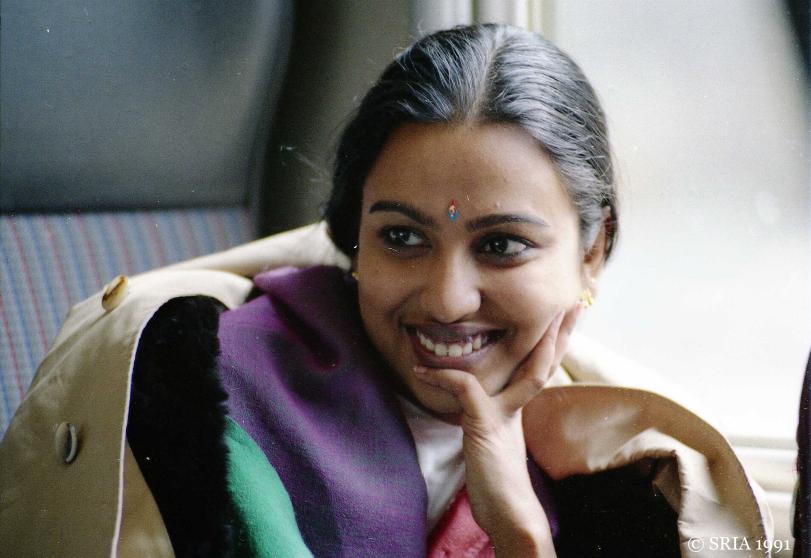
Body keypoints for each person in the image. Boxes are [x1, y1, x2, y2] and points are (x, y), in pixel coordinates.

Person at [0, 24, 772, 557]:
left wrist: (518, 531)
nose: (447, 300)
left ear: (591, 253)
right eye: (402, 238)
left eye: (501, 245)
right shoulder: (213, 393)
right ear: (351, 236)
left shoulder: (630, 461)